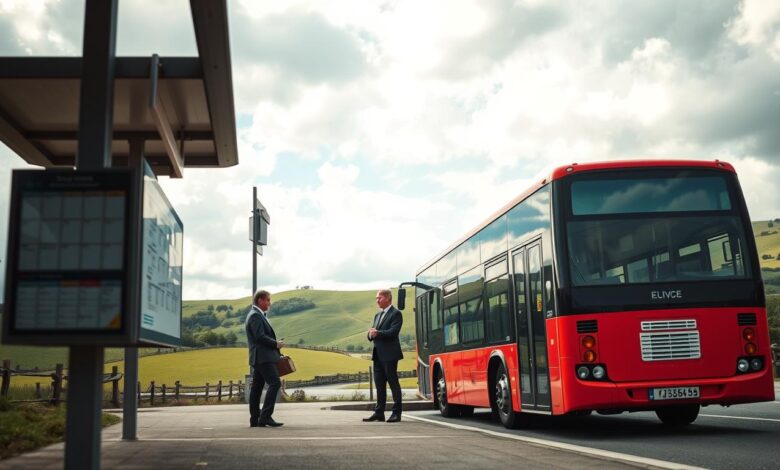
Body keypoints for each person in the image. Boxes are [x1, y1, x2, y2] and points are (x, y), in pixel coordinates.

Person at [363, 288, 404, 423]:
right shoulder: (377, 315)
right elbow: (373, 333)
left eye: (379, 298)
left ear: (388, 298)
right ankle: (379, 412)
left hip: (390, 355)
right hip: (378, 355)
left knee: (393, 384)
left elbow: (393, 332)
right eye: (376, 298)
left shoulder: (396, 313)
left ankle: (396, 413)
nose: (377, 300)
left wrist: (378, 333)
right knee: (379, 385)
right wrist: (370, 334)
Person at [246, 289, 284, 427]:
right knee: (275, 383)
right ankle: (265, 416)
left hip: (259, 358)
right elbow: (259, 336)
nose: (270, 303)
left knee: (256, 388)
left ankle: (255, 419)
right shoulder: (255, 316)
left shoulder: (256, 315)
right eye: (268, 300)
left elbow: (260, 336)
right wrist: (276, 344)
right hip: (263, 358)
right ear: (260, 300)